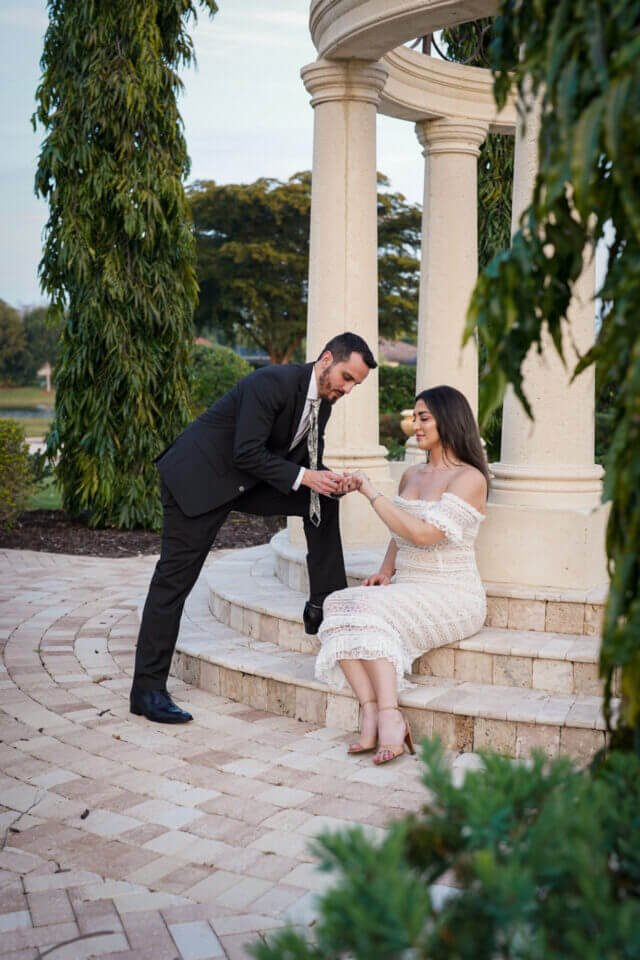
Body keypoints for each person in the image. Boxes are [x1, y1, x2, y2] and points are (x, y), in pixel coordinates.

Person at [131, 332, 376, 723]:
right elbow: (245, 450)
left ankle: (323, 604)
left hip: (245, 482)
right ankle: (147, 690)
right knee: (173, 582)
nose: (348, 389)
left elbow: (307, 466)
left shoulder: (323, 405)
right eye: (347, 377)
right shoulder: (272, 383)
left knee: (324, 499)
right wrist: (307, 477)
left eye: (355, 385)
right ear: (327, 358)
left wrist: (332, 479)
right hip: (198, 479)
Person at [315, 385, 489, 765]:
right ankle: (371, 710)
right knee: (336, 602)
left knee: (365, 611)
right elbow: (402, 531)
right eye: (415, 417)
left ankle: (391, 716)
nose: (416, 425)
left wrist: (370, 492)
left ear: (449, 419)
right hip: (409, 586)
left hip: (453, 594)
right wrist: (385, 570)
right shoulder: (412, 472)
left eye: (424, 417)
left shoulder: (470, 478)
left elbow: (424, 534)